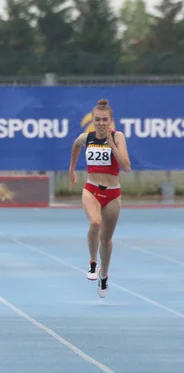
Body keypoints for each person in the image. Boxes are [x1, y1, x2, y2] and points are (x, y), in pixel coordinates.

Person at [69, 99, 131, 298]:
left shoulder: (118, 136)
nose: (101, 123)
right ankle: (92, 263)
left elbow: (127, 166)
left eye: (105, 120)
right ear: (93, 121)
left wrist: (112, 145)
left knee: (106, 239)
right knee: (95, 222)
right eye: (97, 120)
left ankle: (104, 274)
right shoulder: (86, 137)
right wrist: (72, 170)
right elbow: (75, 145)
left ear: (111, 121)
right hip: (92, 189)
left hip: (112, 193)